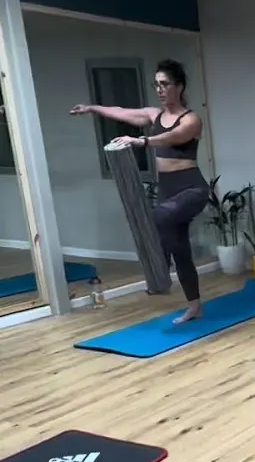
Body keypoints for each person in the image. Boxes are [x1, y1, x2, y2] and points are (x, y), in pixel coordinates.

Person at [69, 58, 209, 324]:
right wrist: (92, 108)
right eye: (156, 85)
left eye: (165, 84)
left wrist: (141, 140)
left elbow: (172, 137)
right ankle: (195, 307)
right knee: (180, 250)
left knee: (158, 216)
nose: (159, 89)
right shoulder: (153, 115)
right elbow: (121, 112)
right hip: (168, 190)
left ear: (179, 86)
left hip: (191, 188)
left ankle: (159, 274)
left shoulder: (191, 119)